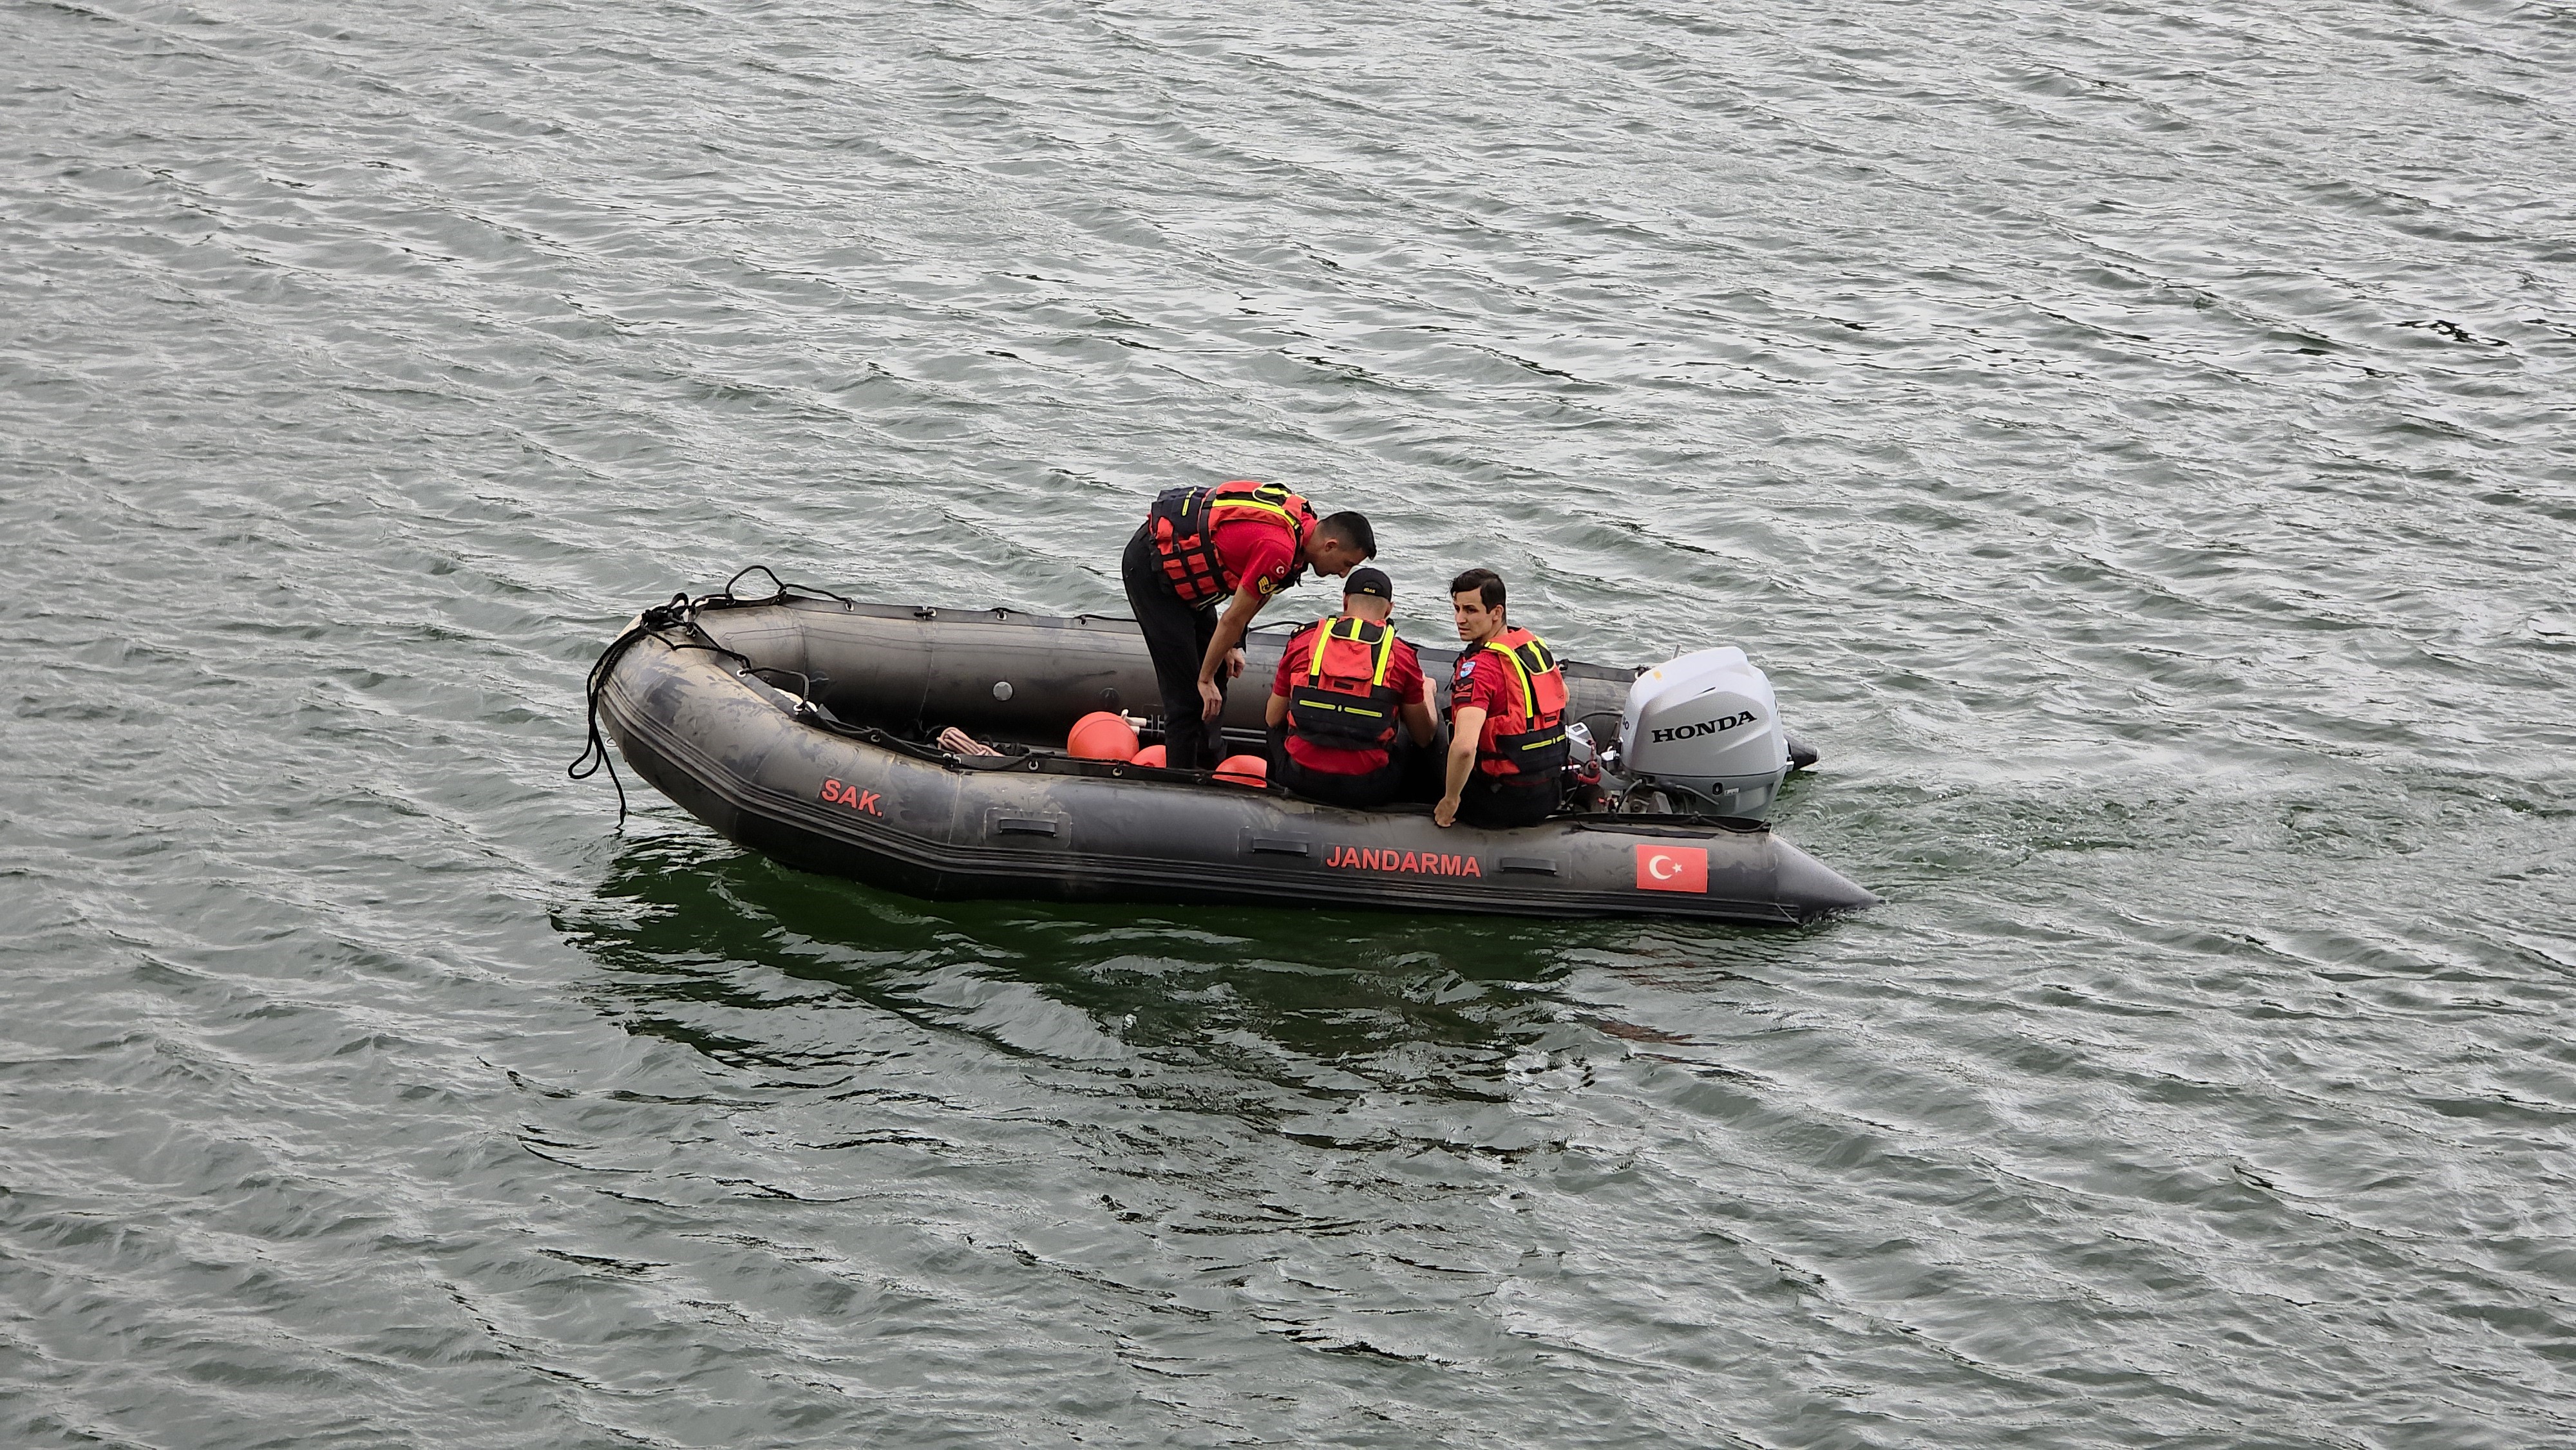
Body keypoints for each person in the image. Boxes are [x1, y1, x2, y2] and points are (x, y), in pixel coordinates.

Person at [1120, 480, 1375, 770]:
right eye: (1346, 564)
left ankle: (1207, 766)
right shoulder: (1280, 547)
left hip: (1194, 585)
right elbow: (1232, 617)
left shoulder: (1303, 536)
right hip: (1153, 574)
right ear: (1330, 546)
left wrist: (1233, 644)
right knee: (1188, 697)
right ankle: (1182, 785)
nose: (1343, 575)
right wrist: (1202, 680)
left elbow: (1260, 593)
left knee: (1219, 674)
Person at [1264, 567, 1437, 809]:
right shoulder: (1402, 656)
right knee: (1409, 735)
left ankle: (1270, 800)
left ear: (1345, 601)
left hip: (1300, 779)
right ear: (1389, 609)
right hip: (1368, 788)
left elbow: (1272, 718)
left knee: (1276, 725)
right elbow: (1423, 736)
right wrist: (1427, 691)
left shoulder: (1303, 641)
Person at [1434, 568, 1569, 829]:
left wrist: (1451, 800)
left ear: (1496, 613)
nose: (1460, 619)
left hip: (1499, 802)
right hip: (1548, 795)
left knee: (1431, 747)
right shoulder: (1531, 647)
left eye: (1470, 610)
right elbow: (1563, 694)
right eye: (1457, 608)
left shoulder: (1480, 669)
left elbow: (1464, 748)